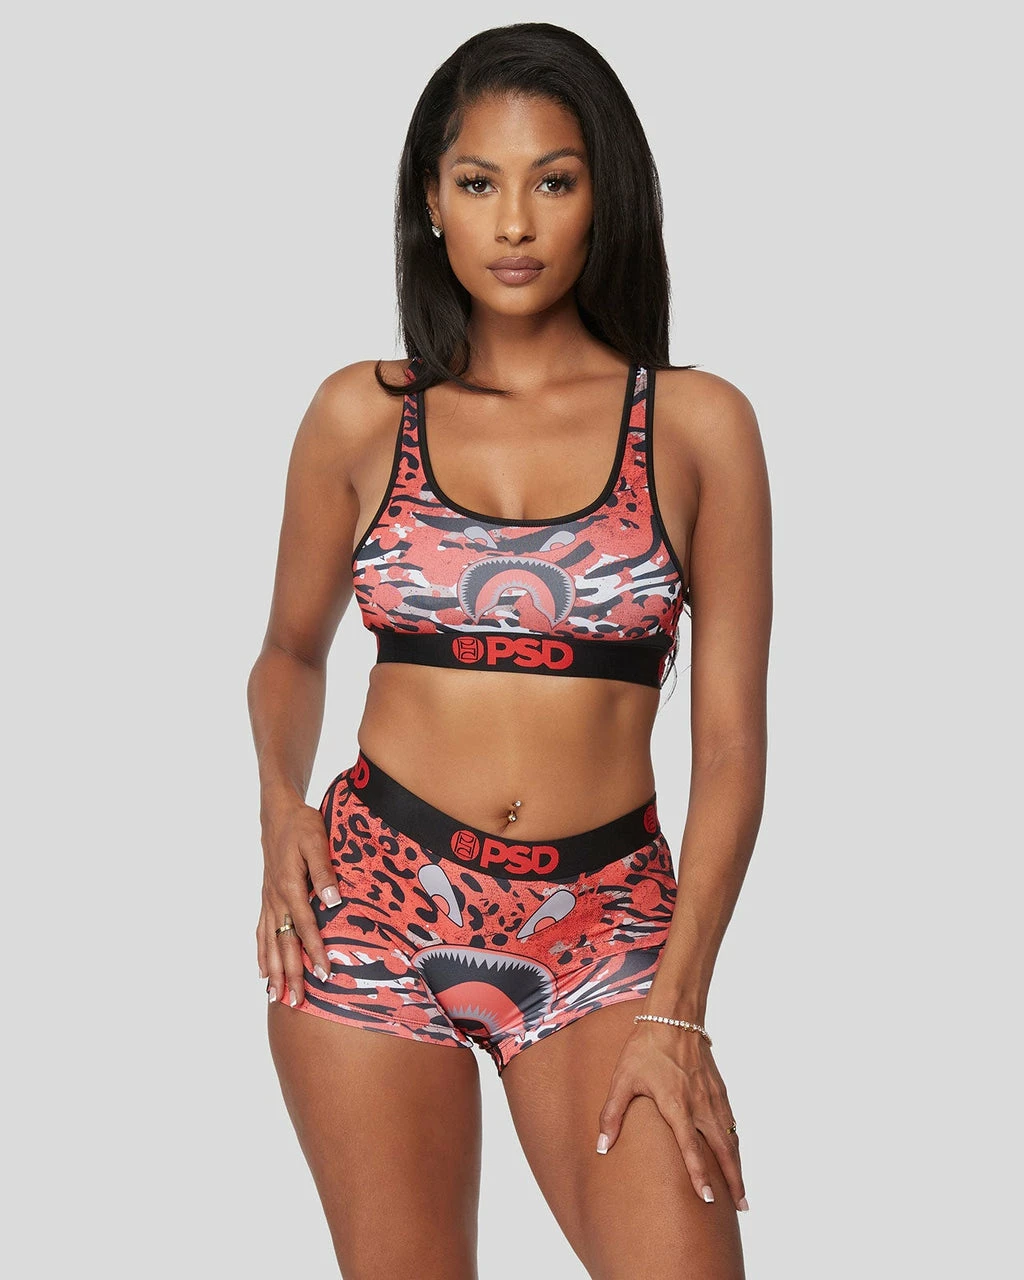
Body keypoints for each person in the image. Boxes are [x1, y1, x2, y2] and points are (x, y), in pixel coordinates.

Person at [247, 21, 772, 1280]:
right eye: (479, 182)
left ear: (605, 196)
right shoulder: (362, 413)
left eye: (555, 179)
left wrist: (679, 1003)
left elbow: (730, 744)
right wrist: (278, 804)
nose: (516, 222)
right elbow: (288, 652)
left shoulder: (697, 425)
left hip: (609, 925)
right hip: (372, 904)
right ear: (432, 202)